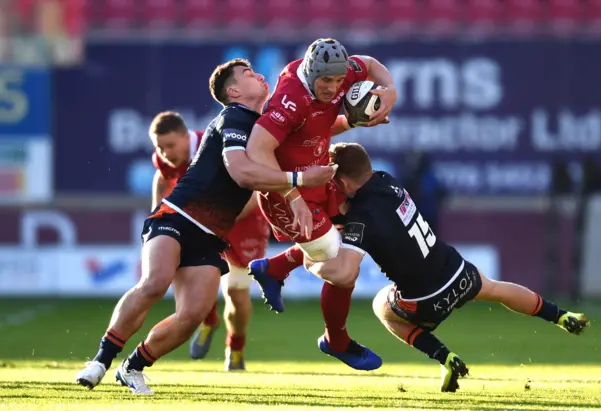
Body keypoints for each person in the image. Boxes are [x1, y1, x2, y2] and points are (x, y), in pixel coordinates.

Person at [75, 59, 336, 394]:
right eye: (247, 74)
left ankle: (133, 366)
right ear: (233, 91)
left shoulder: (266, 125)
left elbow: (314, 130)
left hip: (211, 237)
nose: (258, 74)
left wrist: (354, 119)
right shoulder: (234, 117)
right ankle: (99, 360)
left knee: (193, 314)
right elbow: (242, 173)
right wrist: (299, 180)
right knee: (155, 284)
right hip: (177, 216)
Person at [306, 142, 589, 392]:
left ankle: (445, 357)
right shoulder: (387, 180)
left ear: (341, 182)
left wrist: (312, 264)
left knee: (383, 306)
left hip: (424, 299)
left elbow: (346, 272)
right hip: (454, 268)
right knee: (495, 288)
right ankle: (562, 316)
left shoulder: (360, 218)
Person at [246, 38, 397, 371]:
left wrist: (389, 92)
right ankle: (337, 341)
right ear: (311, 72)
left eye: (337, 80)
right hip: (286, 195)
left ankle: (274, 268)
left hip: (317, 179)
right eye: (325, 81)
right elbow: (257, 150)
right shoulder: (290, 99)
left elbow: (370, 64)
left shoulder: (342, 73)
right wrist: (293, 196)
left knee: (347, 232)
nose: (332, 87)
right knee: (344, 271)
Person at [147, 111, 270, 371]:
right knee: (190, 269)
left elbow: (253, 192)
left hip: (243, 222)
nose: (165, 153)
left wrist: (216, 222)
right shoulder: (166, 157)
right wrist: (158, 212)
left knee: (236, 292)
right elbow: (162, 178)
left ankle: (235, 348)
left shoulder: (217, 146)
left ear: (186, 136)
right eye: (160, 147)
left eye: (170, 145)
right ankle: (208, 319)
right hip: (204, 220)